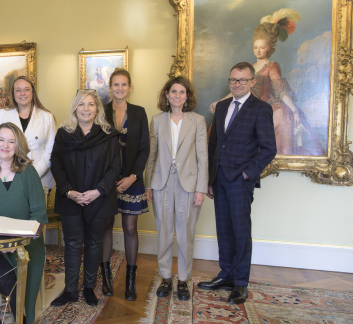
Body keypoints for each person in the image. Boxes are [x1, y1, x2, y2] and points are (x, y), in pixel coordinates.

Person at [198, 62, 276, 304]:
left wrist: (247, 174)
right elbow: (213, 144)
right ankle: (226, 275)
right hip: (219, 178)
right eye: (234, 80)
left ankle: (241, 283)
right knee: (224, 229)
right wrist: (210, 178)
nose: (238, 84)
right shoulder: (221, 106)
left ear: (252, 82)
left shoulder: (261, 108)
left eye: (243, 80)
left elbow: (268, 148)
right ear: (229, 81)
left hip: (240, 181)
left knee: (241, 232)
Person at [209, 9, 320, 155]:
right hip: (246, 105)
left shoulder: (271, 66)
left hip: (265, 105)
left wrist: (293, 110)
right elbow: (237, 89)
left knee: (280, 117)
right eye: (256, 47)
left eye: (262, 47)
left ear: (269, 49)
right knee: (224, 117)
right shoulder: (250, 68)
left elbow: (280, 89)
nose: (258, 50)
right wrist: (220, 101)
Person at [0, 122, 48, 324]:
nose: (6, 145)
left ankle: (20, 318)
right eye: (1, 140)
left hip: (26, 242)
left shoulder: (28, 173)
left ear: (17, 146)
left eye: (11, 141)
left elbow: (39, 216)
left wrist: (18, 241)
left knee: (8, 280)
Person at [50, 90, 121, 307]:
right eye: (81, 104)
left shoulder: (109, 135)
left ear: (97, 109)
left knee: (93, 243)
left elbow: (115, 167)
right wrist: (69, 191)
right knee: (71, 244)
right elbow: (56, 164)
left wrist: (98, 191)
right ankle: (70, 290)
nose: (86, 109)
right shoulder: (64, 134)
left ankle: (89, 288)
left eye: (91, 105)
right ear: (75, 108)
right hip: (70, 198)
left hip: (99, 198)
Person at [145, 76, 208, 301]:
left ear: (187, 96)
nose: (177, 96)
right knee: (164, 233)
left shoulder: (198, 121)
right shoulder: (157, 120)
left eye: (182, 92)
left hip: (188, 185)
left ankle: (183, 280)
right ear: (167, 95)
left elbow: (202, 156)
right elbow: (151, 155)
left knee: (185, 234)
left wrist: (201, 188)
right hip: (161, 183)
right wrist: (148, 184)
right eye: (173, 91)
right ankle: (165, 277)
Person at [100, 68, 149, 300]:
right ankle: (106, 279)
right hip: (107, 179)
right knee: (106, 226)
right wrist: (109, 179)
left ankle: (130, 281)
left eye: (124, 85)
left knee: (130, 228)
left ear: (130, 87)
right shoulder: (101, 111)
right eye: (116, 85)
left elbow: (144, 148)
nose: (120, 89)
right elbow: (96, 147)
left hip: (132, 178)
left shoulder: (139, 113)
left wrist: (133, 177)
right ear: (110, 87)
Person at [0, 76, 56, 194]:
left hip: (39, 179)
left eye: (26, 89)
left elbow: (51, 151)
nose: (22, 93)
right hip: (6, 179)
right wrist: (8, 174)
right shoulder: (1, 115)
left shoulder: (47, 117)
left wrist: (32, 174)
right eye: (18, 90)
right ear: (13, 93)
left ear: (33, 92)